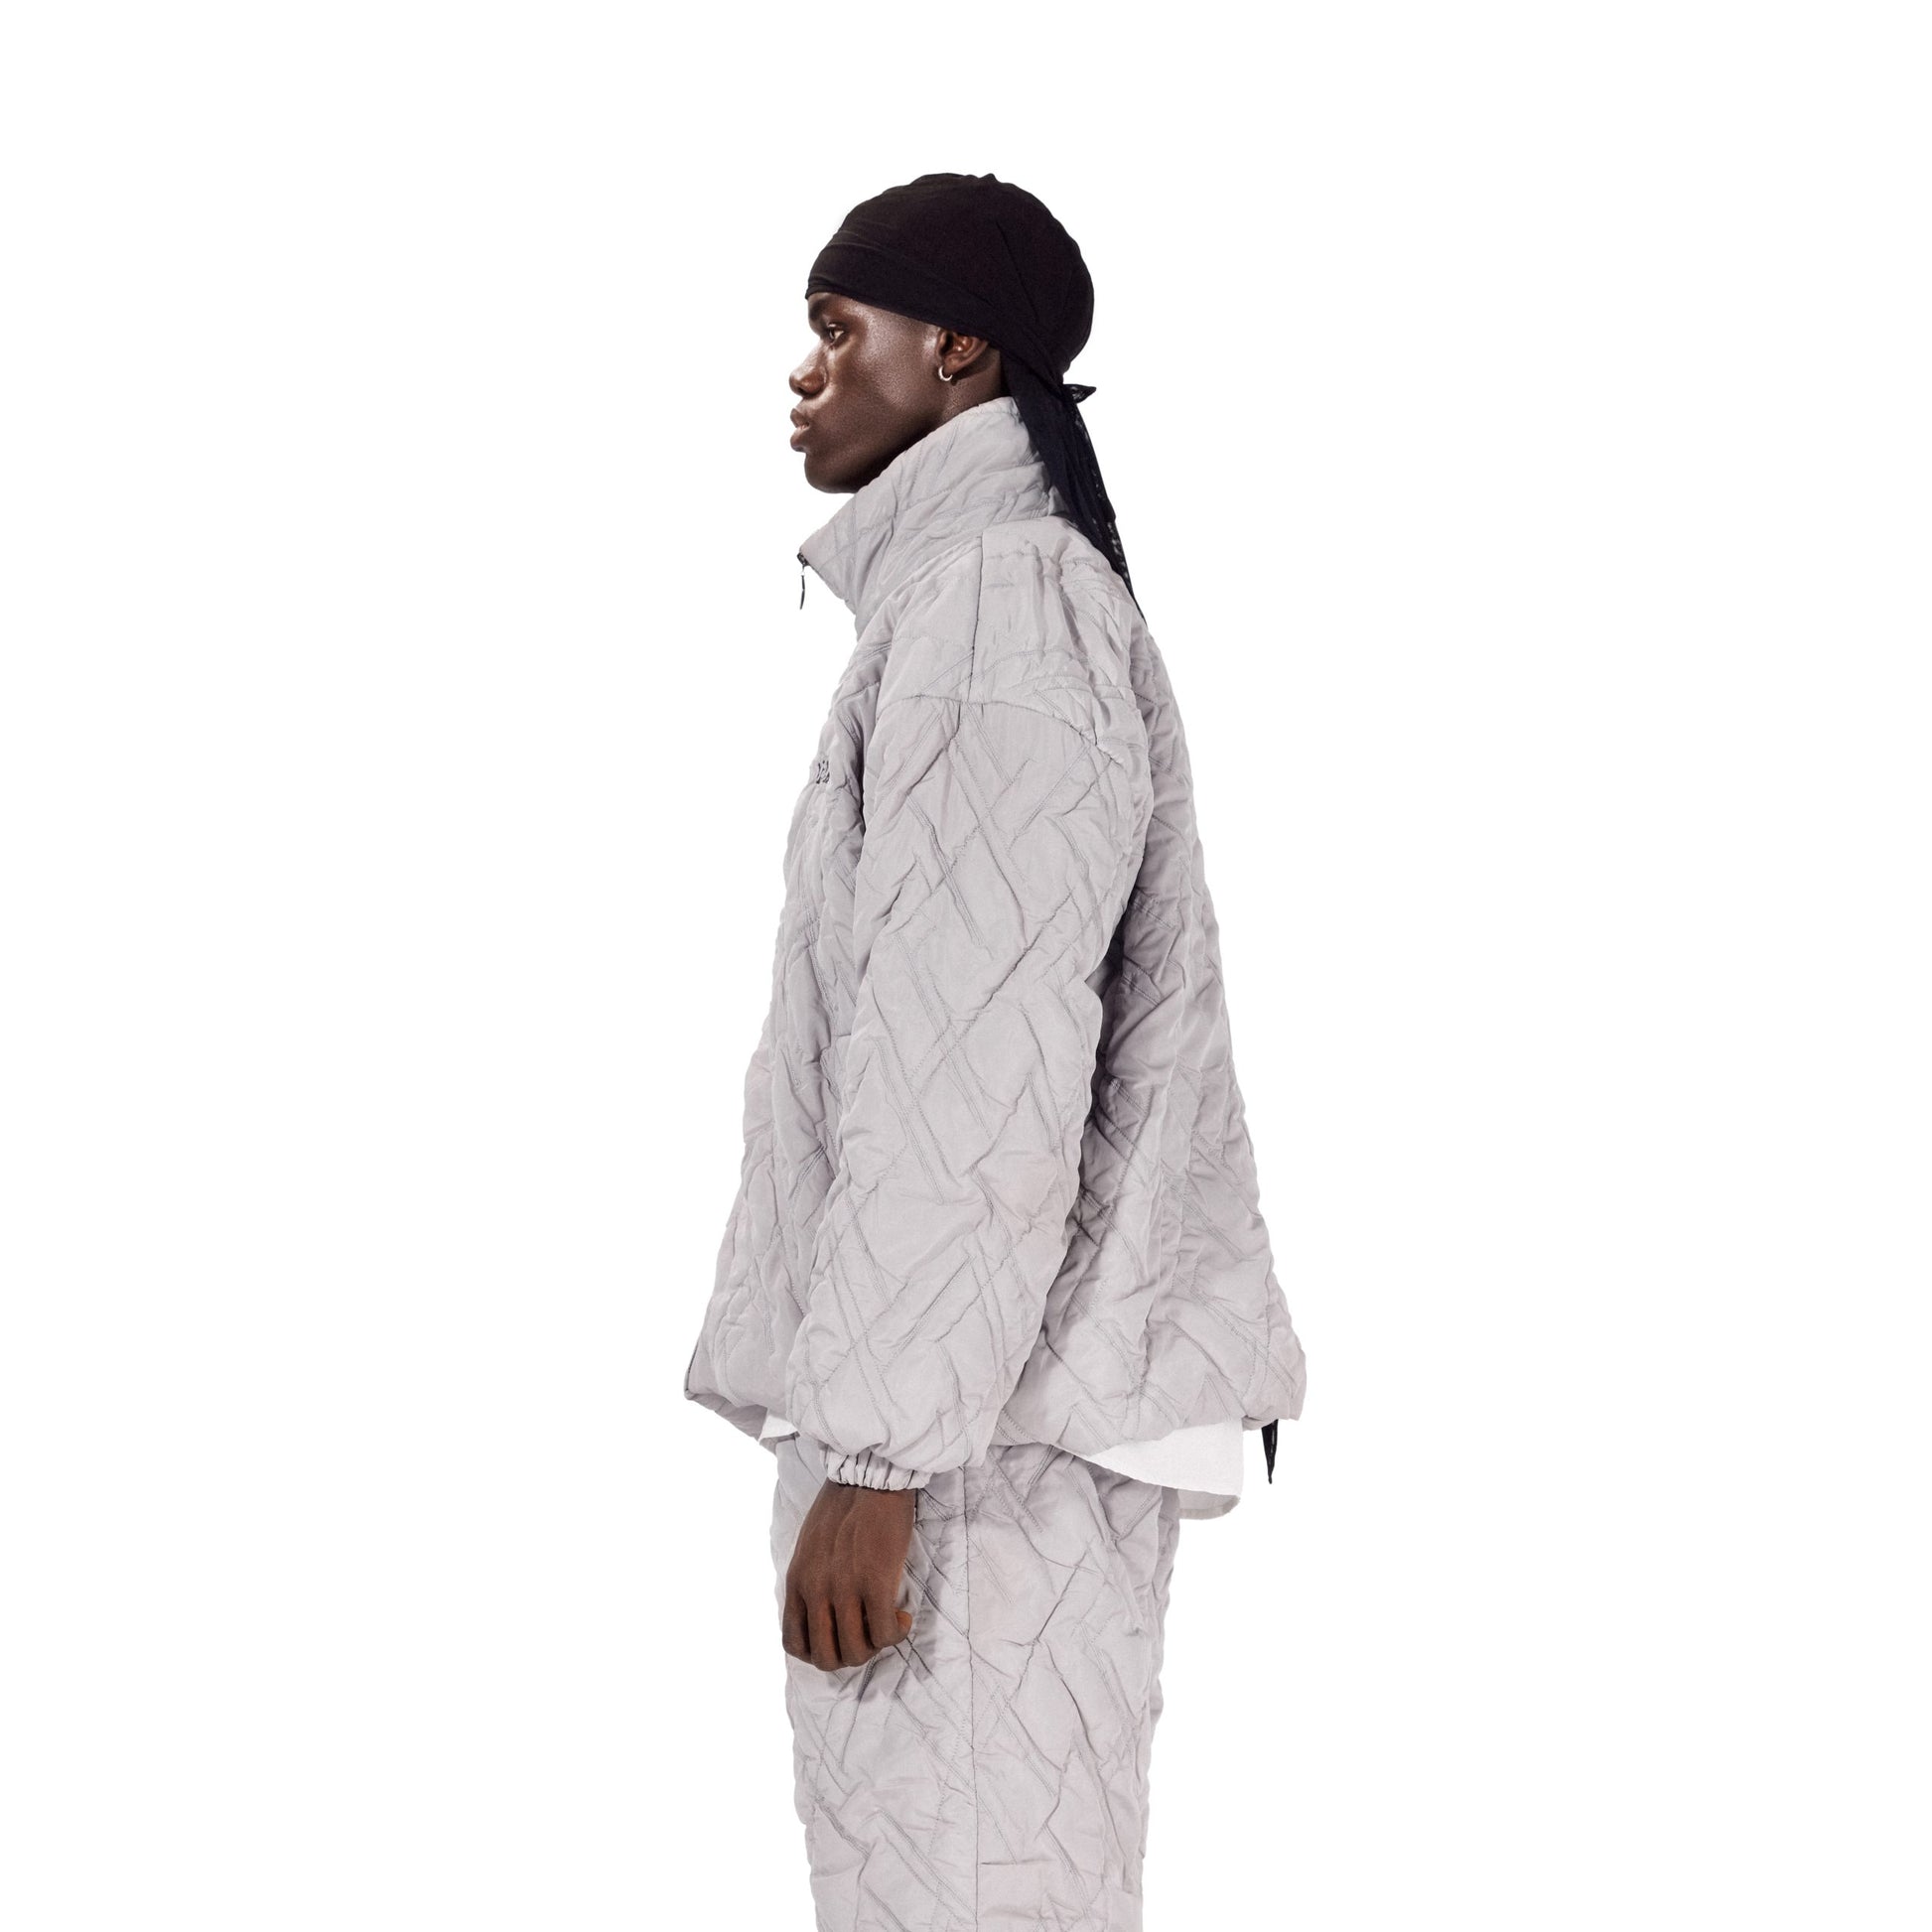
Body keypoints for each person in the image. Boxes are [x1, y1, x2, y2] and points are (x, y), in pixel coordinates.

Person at [683, 171, 1307, 1931]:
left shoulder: (996, 608)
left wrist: (878, 1459)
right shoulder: (984, 599)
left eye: (838, 327)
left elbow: (972, 1061)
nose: (805, 372)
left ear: (956, 349)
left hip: (977, 1441)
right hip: (989, 1413)